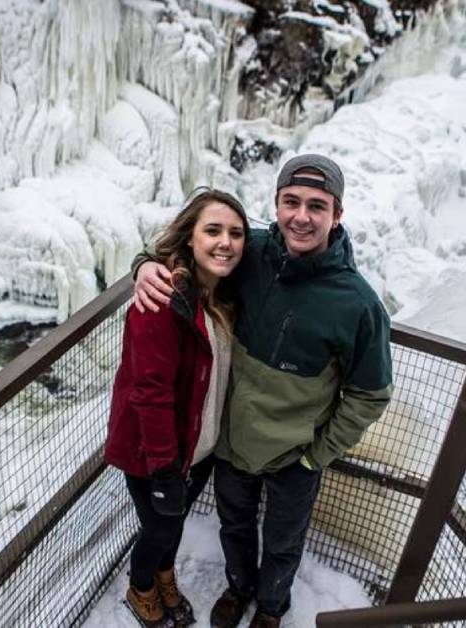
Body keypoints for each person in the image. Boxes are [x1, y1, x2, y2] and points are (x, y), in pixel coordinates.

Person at [133, 154, 393, 628]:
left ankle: (272, 608)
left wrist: (319, 453)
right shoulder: (249, 253)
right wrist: (145, 267)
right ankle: (239, 589)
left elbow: (370, 393)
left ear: (337, 214)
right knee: (235, 525)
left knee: (282, 539)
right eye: (291, 201)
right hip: (234, 444)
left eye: (317, 205)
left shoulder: (358, 304)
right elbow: (188, 247)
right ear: (275, 205)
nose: (302, 216)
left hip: (298, 456)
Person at [106, 188, 249, 627]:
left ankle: (164, 572)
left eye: (236, 233)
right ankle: (141, 585)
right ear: (190, 238)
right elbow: (150, 391)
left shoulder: (222, 293)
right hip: (155, 451)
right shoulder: (162, 300)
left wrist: (142, 261)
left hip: (198, 444)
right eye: (213, 231)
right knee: (160, 527)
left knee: (174, 521)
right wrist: (165, 470)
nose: (225, 241)